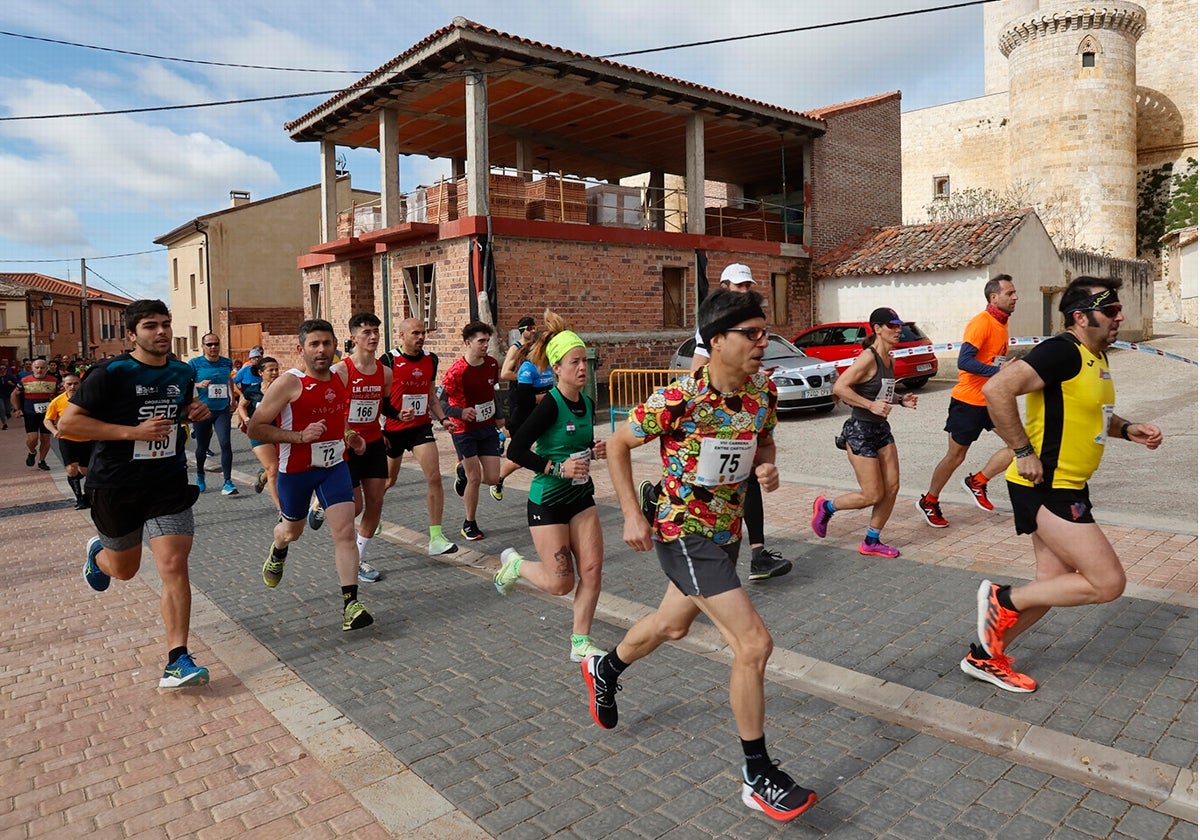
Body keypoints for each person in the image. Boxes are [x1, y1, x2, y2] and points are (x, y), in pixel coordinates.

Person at [584, 289, 818, 823]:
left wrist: (767, 466)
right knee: (754, 644)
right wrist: (630, 513)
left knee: (672, 626)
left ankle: (606, 665)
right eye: (753, 334)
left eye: (766, 333)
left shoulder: (763, 392)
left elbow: (764, 442)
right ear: (716, 342)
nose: (765, 343)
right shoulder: (679, 398)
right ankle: (756, 774)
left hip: (725, 534)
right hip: (683, 531)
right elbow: (618, 445)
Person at [967, 276, 1162, 693]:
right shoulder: (1061, 352)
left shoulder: (1095, 358)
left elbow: (1091, 415)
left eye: (1118, 309)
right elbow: (997, 388)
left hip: (1069, 484)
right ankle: (1003, 601)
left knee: (1049, 587)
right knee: (1107, 583)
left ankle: (984, 657)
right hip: (1047, 487)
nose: (1119, 316)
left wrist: (1129, 430)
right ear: (1080, 316)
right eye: (1110, 310)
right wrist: (1021, 450)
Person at [60, 299, 212, 687]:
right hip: (115, 483)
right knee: (125, 571)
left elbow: (177, 411)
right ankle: (100, 554)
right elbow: (68, 424)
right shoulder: (111, 372)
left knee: (174, 565)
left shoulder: (181, 371)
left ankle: (177, 659)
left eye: (165, 323)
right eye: (150, 326)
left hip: (167, 480)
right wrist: (133, 433)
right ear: (132, 334)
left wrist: (192, 412)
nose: (160, 331)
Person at [642, 263, 791, 582]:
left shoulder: (751, 334)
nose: (744, 290)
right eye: (738, 286)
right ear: (723, 286)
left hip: (723, 516)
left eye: (747, 285)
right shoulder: (714, 324)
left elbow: (767, 443)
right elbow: (699, 370)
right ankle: (658, 496)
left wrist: (752, 379)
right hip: (710, 419)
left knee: (747, 474)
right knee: (750, 634)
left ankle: (758, 554)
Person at [493, 311, 608, 663]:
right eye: (574, 362)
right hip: (548, 501)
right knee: (561, 583)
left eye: (584, 361)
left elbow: (576, 447)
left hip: (580, 497)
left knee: (592, 570)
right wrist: (556, 467)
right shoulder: (550, 406)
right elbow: (515, 450)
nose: (582, 368)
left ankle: (580, 642)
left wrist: (595, 450)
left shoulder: (588, 403)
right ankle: (514, 566)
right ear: (556, 367)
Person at [249, 319, 374, 631]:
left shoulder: (342, 376)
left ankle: (351, 604)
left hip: (334, 467)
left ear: (335, 346)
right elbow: (255, 428)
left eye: (326, 344)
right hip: (296, 472)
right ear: (300, 349)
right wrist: (299, 437)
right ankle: (278, 550)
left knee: (344, 532)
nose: (321, 350)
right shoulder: (289, 383)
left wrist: (350, 436)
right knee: (292, 531)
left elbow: (335, 416)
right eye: (314, 344)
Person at [811, 307, 919, 558]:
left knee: (892, 487)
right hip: (859, 431)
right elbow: (839, 387)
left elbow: (880, 392)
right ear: (877, 329)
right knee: (872, 494)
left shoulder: (889, 358)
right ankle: (826, 506)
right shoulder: (868, 358)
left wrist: (901, 400)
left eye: (899, 325)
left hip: (881, 430)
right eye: (892, 325)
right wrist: (871, 406)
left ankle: (872, 540)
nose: (898, 330)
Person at [917, 275, 1019, 527]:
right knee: (955, 456)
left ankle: (978, 481)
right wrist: (998, 372)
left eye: (1015, 293)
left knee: (1021, 447)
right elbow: (964, 361)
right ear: (994, 297)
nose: (1015, 297)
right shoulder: (981, 323)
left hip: (992, 401)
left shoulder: (1001, 323)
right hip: (969, 401)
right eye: (1010, 293)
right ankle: (929, 501)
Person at [327, 312, 398, 583]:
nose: (373, 337)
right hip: (346, 445)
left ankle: (357, 558)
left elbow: (385, 405)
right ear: (353, 337)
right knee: (354, 507)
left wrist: (397, 415)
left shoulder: (386, 372)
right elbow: (334, 408)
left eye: (376, 332)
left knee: (376, 502)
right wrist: (347, 434)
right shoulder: (342, 370)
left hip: (373, 442)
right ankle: (321, 502)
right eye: (366, 332)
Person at [381, 318, 458, 556]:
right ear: (401, 336)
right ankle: (371, 516)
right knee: (387, 481)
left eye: (423, 332)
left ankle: (436, 537)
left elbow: (431, 395)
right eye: (415, 333)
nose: (421, 337)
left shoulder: (431, 359)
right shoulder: (389, 360)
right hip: (393, 429)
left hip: (420, 427)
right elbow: (379, 398)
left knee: (434, 477)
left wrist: (443, 418)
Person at [440, 321, 504, 541]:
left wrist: (499, 415)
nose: (486, 345)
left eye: (488, 340)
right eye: (481, 341)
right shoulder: (457, 371)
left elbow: (492, 392)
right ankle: (469, 523)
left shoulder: (492, 364)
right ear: (468, 342)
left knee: (493, 477)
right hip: (464, 430)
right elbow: (439, 402)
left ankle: (461, 474)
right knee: (474, 478)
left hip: (486, 427)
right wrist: (459, 412)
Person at [494, 316, 555, 497]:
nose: (533, 330)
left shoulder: (537, 351)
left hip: (536, 398)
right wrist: (525, 378)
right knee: (522, 446)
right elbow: (505, 373)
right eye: (529, 328)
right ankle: (494, 476)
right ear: (522, 330)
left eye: (535, 327)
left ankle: (501, 436)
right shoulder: (516, 348)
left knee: (526, 439)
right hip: (521, 395)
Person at [188, 333, 237, 495]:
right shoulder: (195, 364)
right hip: (202, 411)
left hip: (222, 409)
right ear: (203, 346)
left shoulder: (226, 362)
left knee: (225, 443)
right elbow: (186, 385)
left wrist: (232, 397)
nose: (213, 347)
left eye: (216, 344)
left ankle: (227, 482)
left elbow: (228, 379)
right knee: (202, 446)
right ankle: (200, 475)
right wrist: (198, 384)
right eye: (209, 344)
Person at [235, 355, 281, 509]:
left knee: (279, 466)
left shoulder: (283, 390)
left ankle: (262, 477)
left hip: (280, 433)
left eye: (276, 369)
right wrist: (246, 418)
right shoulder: (253, 390)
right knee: (273, 468)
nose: (275, 373)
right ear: (261, 373)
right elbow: (241, 406)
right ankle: (281, 510)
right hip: (259, 434)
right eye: (271, 370)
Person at [43, 371, 94, 509]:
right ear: (63, 385)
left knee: (85, 471)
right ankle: (79, 499)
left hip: (87, 439)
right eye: (69, 384)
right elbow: (47, 420)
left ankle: (88, 496)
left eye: (76, 383)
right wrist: (54, 431)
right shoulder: (57, 402)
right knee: (71, 470)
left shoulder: (90, 399)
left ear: (81, 384)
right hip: (67, 439)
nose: (72, 387)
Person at [12, 357, 60, 470]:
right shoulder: (25, 380)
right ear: (32, 368)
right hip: (30, 414)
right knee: (33, 439)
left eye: (42, 368)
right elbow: (14, 395)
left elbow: (62, 395)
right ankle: (32, 451)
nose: (39, 370)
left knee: (45, 439)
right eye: (37, 367)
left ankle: (42, 460)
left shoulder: (53, 380)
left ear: (46, 368)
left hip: (47, 415)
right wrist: (17, 409)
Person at [0, 357, 17, 430]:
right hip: (0, 396)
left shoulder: (10, 376)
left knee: (8, 409)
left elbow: (16, 384)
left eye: (4, 369)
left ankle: (8, 414)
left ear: (6, 370)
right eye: (1, 369)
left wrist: (11, 384)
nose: (2, 370)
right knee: (2, 409)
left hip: (8, 395)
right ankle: (4, 424)